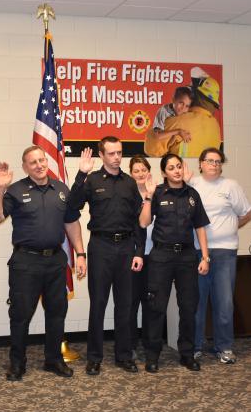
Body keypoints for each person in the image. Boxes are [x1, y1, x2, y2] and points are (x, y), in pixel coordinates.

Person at [0, 146, 87, 381]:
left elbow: (72, 223)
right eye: (33, 162)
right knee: (20, 315)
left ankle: (53, 360)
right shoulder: (15, 190)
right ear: (25, 167)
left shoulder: (61, 189)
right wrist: (0, 188)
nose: (40, 165)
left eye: (42, 160)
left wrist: (80, 254)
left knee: (56, 313)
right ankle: (17, 364)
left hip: (55, 262)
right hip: (26, 263)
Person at [68, 136, 145, 375]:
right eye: (111, 153)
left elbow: (138, 222)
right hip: (100, 247)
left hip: (125, 248)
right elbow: (72, 207)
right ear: (102, 155)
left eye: (119, 153)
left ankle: (124, 356)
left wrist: (139, 252)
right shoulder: (91, 180)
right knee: (98, 304)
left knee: (124, 304)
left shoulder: (130, 183)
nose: (117, 157)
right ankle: (94, 357)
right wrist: (81, 174)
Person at [139, 153, 210, 373]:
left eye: (179, 166)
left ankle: (186, 355)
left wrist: (205, 257)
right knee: (156, 307)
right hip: (161, 257)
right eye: (171, 168)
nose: (176, 171)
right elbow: (143, 222)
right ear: (164, 172)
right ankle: (152, 356)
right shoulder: (158, 192)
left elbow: (200, 227)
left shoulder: (192, 195)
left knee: (188, 307)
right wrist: (149, 198)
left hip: (187, 257)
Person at [189, 148, 251, 364]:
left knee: (224, 302)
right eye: (210, 161)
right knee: (197, 301)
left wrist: (233, 226)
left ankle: (224, 347)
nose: (214, 165)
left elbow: (248, 212)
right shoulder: (192, 185)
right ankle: (195, 346)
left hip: (225, 251)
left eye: (218, 162)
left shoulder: (231, 186)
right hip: (198, 251)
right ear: (200, 164)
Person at [128, 155, 155, 357]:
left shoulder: (158, 193)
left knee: (151, 303)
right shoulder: (127, 196)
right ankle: (130, 345)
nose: (140, 174)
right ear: (131, 174)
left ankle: (149, 344)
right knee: (131, 302)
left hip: (155, 257)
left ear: (149, 171)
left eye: (143, 170)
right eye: (136, 171)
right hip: (133, 257)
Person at [143, 86, 192, 157]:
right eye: (181, 103)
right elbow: (158, 136)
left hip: (166, 149)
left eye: (187, 106)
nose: (183, 108)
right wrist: (178, 131)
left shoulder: (183, 114)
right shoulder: (164, 111)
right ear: (173, 100)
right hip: (153, 148)